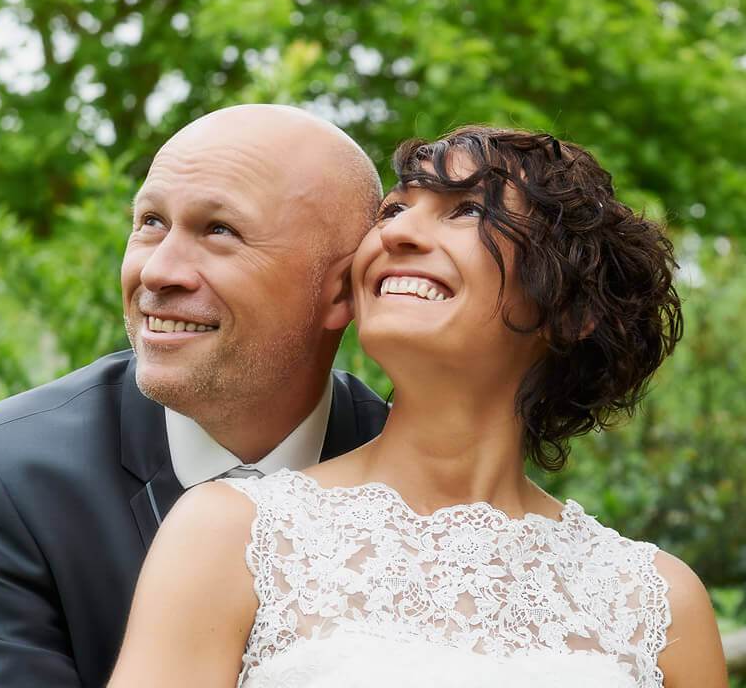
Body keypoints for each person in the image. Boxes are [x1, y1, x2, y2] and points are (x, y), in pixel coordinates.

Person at [109, 126, 729, 687]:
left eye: (465, 211)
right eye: (395, 209)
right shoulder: (230, 533)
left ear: (570, 311)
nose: (398, 232)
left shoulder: (660, 604)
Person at [0, 104, 390, 687]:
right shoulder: (3, 479)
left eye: (219, 231)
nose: (158, 272)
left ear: (341, 290)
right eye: (150, 223)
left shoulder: (413, 475)